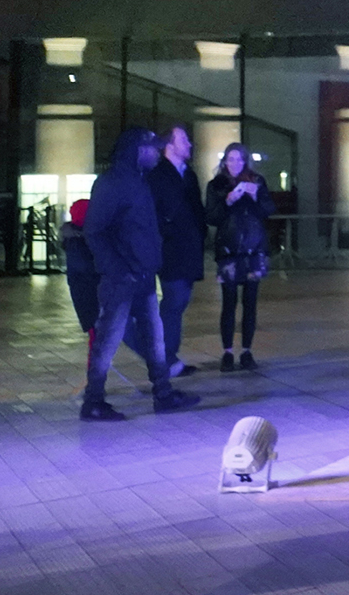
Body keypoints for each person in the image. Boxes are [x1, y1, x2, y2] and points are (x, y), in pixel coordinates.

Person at [81, 129, 201, 420]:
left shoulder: (139, 181)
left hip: (143, 276)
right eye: (150, 148)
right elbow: (94, 231)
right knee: (108, 341)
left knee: (154, 339)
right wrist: (120, 270)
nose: (155, 153)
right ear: (136, 150)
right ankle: (93, 401)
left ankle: (163, 393)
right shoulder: (112, 183)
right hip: (121, 280)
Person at [205, 143, 275, 370]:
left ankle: (247, 350)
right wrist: (228, 201)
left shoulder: (257, 181)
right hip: (229, 251)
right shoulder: (216, 185)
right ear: (225, 161)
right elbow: (212, 217)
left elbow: (268, 209)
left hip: (254, 250)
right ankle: (227, 352)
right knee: (228, 302)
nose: (235, 164)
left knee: (250, 302)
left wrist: (255, 197)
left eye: (239, 159)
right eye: (230, 159)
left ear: (245, 161)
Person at [149, 125, 207, 375]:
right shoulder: (158, 175)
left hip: (189, 250)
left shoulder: (189, 174)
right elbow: (156, 213)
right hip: (171, 251)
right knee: (174, 303)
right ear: (169, 146)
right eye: (184, 140)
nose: (190, 144)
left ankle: (168, 357)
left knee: (178, 303)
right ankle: (165, 359)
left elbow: (196, 210)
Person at [62, 197, 99, 335]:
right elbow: (86, 269)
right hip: (89, 290)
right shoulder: (81, 241)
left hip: (82, 290)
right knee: (97, 329)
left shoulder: (72, 238)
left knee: (95, 331)